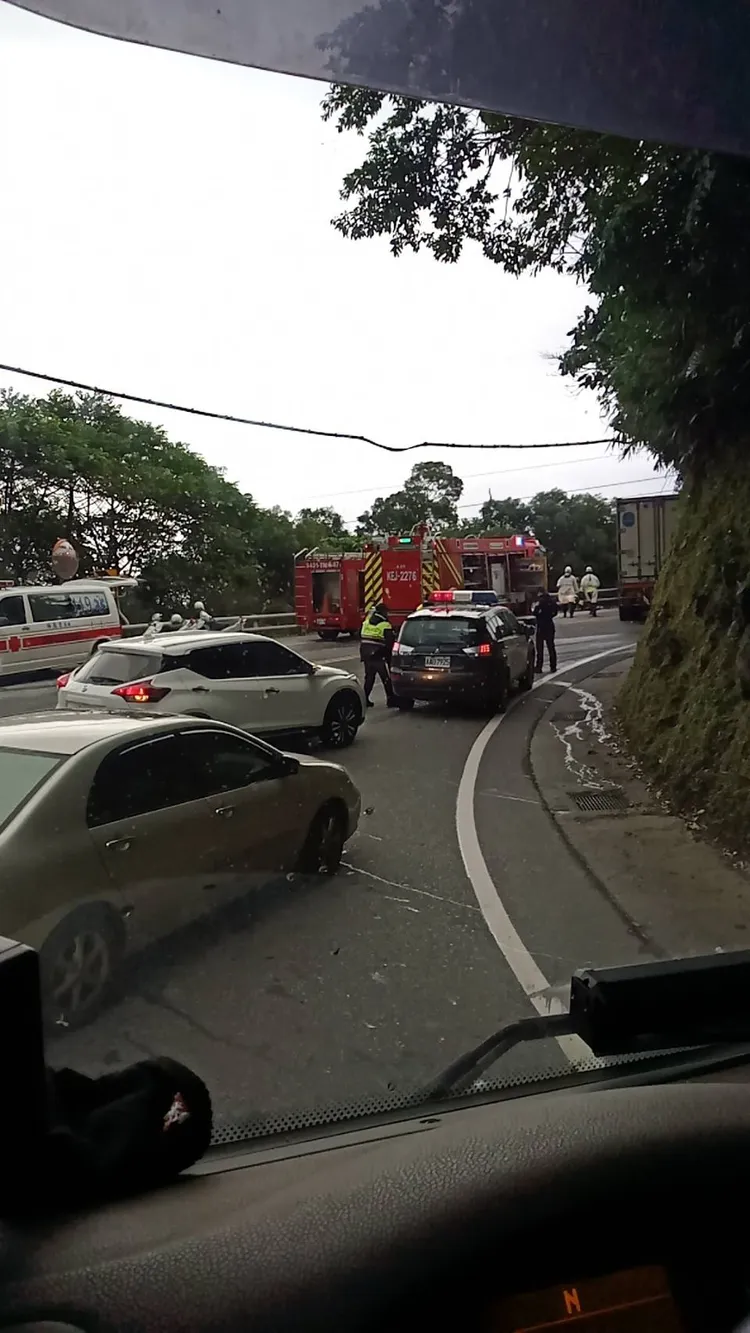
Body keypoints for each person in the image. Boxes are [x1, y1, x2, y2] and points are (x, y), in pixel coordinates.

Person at [360, 601, 395, 706]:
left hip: (366, 653)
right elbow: (390, 643)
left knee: (369, 678)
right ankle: (391, 699)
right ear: (383, 612)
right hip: (378, 654)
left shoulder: (366, 622)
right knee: (385, 678)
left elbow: (360, 636)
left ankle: (364, 699)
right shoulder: (385, 625)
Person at [533, 590, 558, 673]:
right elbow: (555, 612)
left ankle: (539, 666)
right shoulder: (552, 603)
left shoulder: (540, 603)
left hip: (541, 626)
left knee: (540, 649)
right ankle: (553, 666)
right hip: (550, 625)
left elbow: (535, 612)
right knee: (551, 647)